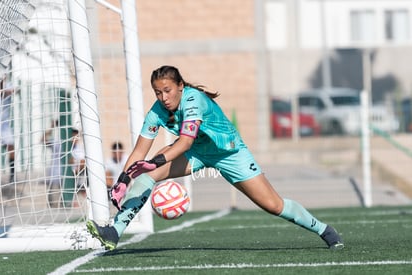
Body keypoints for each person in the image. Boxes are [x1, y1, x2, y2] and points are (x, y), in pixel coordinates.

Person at [86, 65, 344, 251]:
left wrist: (155, 162)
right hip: (195, 153)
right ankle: (114, 232)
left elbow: (184, 140)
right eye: (157, 92)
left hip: (230, 153)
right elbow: (140, 151)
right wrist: (123, 177)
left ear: (180, 87)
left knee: (273, 205)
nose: (163, 98)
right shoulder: (157, 111)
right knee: (147, 176)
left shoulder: (194, 99)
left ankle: (324, 230)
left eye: (167, 90)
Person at [42, 119, 62, 207]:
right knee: (53, 201)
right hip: (54, 172)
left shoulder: (73, 141)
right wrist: (51, 127)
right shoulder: (57, 141)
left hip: (68, 174)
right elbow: (43, 140)